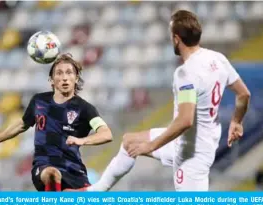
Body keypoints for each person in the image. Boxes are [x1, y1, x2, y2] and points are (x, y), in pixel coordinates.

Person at [65, 10, 251, 192]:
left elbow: (185, 121)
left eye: (171, 35)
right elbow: (244, 94)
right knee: (130, 142)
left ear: (177, 38)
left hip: (192, 156)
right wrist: (236, 121)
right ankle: (95, 193)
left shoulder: (186, 73)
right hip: (193, 140)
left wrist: (152, 146)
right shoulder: (217, 59)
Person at [0, 54, 113, 191]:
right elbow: (22, 124)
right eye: (59, 73)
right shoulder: (39, 101)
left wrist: (83, 140)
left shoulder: (85, 108)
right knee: (52, 173)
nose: (64, 77)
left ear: (76, 78)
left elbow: (107, 134)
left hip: (74, 170)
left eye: (69, 73)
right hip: (43, 166)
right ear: (51, 80)